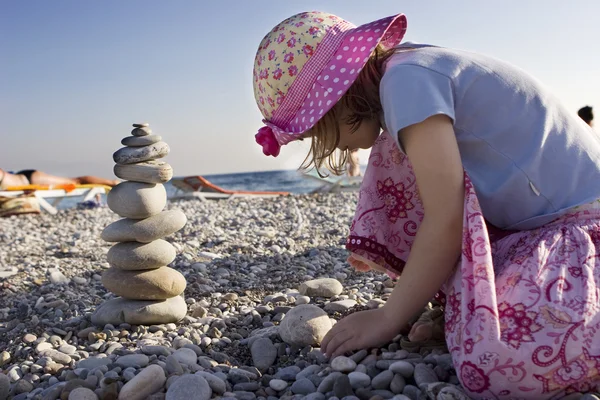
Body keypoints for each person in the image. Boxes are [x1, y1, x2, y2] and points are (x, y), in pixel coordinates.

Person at [251, 11, 600, 398]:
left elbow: (446, 217)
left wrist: (389, 317)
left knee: (499, 362)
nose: (327, 144)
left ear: (337, 97)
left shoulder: (407, 81)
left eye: (315, 127)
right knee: (391, 157)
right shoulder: (407, 69)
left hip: (581, 228)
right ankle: (451, 298)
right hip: (534, 226)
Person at [0, 168, 119, 190]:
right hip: (23, 177)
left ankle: (112, 183)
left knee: (76, 181)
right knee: (75, 180)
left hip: (30, 180)